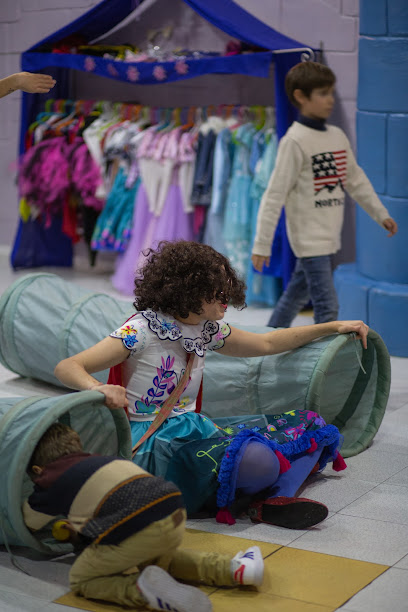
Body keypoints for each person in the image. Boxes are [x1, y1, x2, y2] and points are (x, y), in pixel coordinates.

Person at [54, 240, 369, 530]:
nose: (227, 299)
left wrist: (332, 326)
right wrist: (98, 388)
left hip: (196, 432)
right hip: (155, 444)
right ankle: (254, 493)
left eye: (227, 289)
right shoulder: (141, 330)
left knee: (311, 426)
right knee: (259, 460)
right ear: (190, 291)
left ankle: (268, 502)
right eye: (218, 291)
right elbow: (67, 366)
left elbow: (268, 342)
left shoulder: (207, 330)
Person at [23, 422, 264, 612]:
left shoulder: (48, 483)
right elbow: (105, 502)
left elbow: (28, 523)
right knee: (164, 559)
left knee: (81, 579)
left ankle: (140, 589)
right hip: (173, 510)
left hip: (138, 527)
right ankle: (235, 569)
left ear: (37, 471)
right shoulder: (100, 460)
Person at [251, 61, 398, 328]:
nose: (330, 100)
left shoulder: (337, 136)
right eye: (322, 93)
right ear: (300, 96)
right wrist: (262, 244)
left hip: (328, 235)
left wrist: (381, 214)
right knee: (327, 307)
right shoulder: (294, 141)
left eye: (331, 92)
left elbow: (356, 181)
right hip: (309, 240)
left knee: (296, 294)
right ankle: (324, 364)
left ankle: (265, 342)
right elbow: (274, 196)